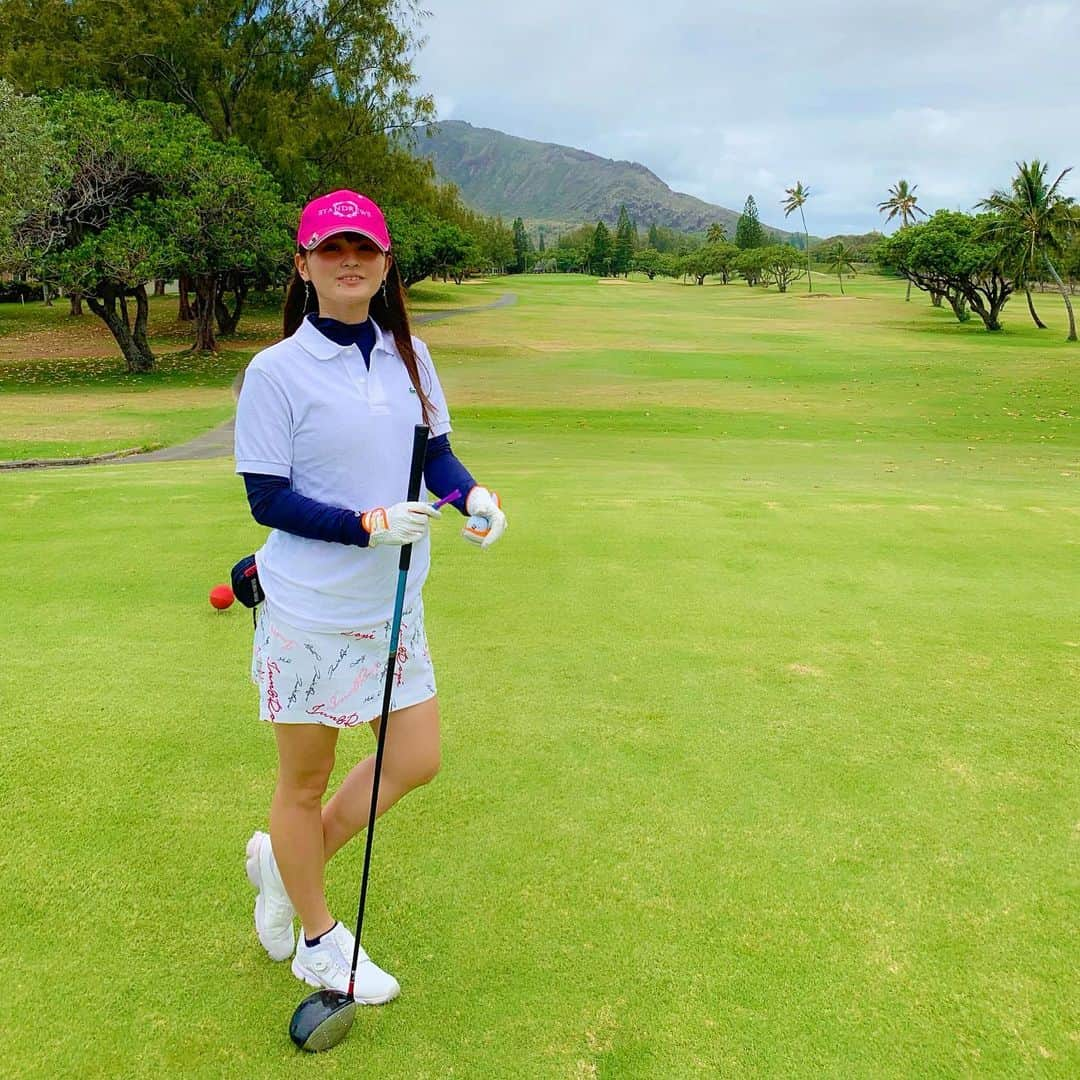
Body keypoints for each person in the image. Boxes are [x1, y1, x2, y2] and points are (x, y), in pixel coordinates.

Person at [233, 190, 507, 1004]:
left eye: (364, 248)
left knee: (415, 758)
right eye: (331, 248)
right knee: (305, 782)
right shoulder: (275, 370)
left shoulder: (411, 358)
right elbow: (267, 498)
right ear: (304, 265)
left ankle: (283, 870)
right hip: (309, 609)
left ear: (387, 263)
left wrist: (474, 497)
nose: (349, 261)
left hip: (392, 605)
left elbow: (439, 458)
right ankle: (318, 939)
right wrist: (366, 524)